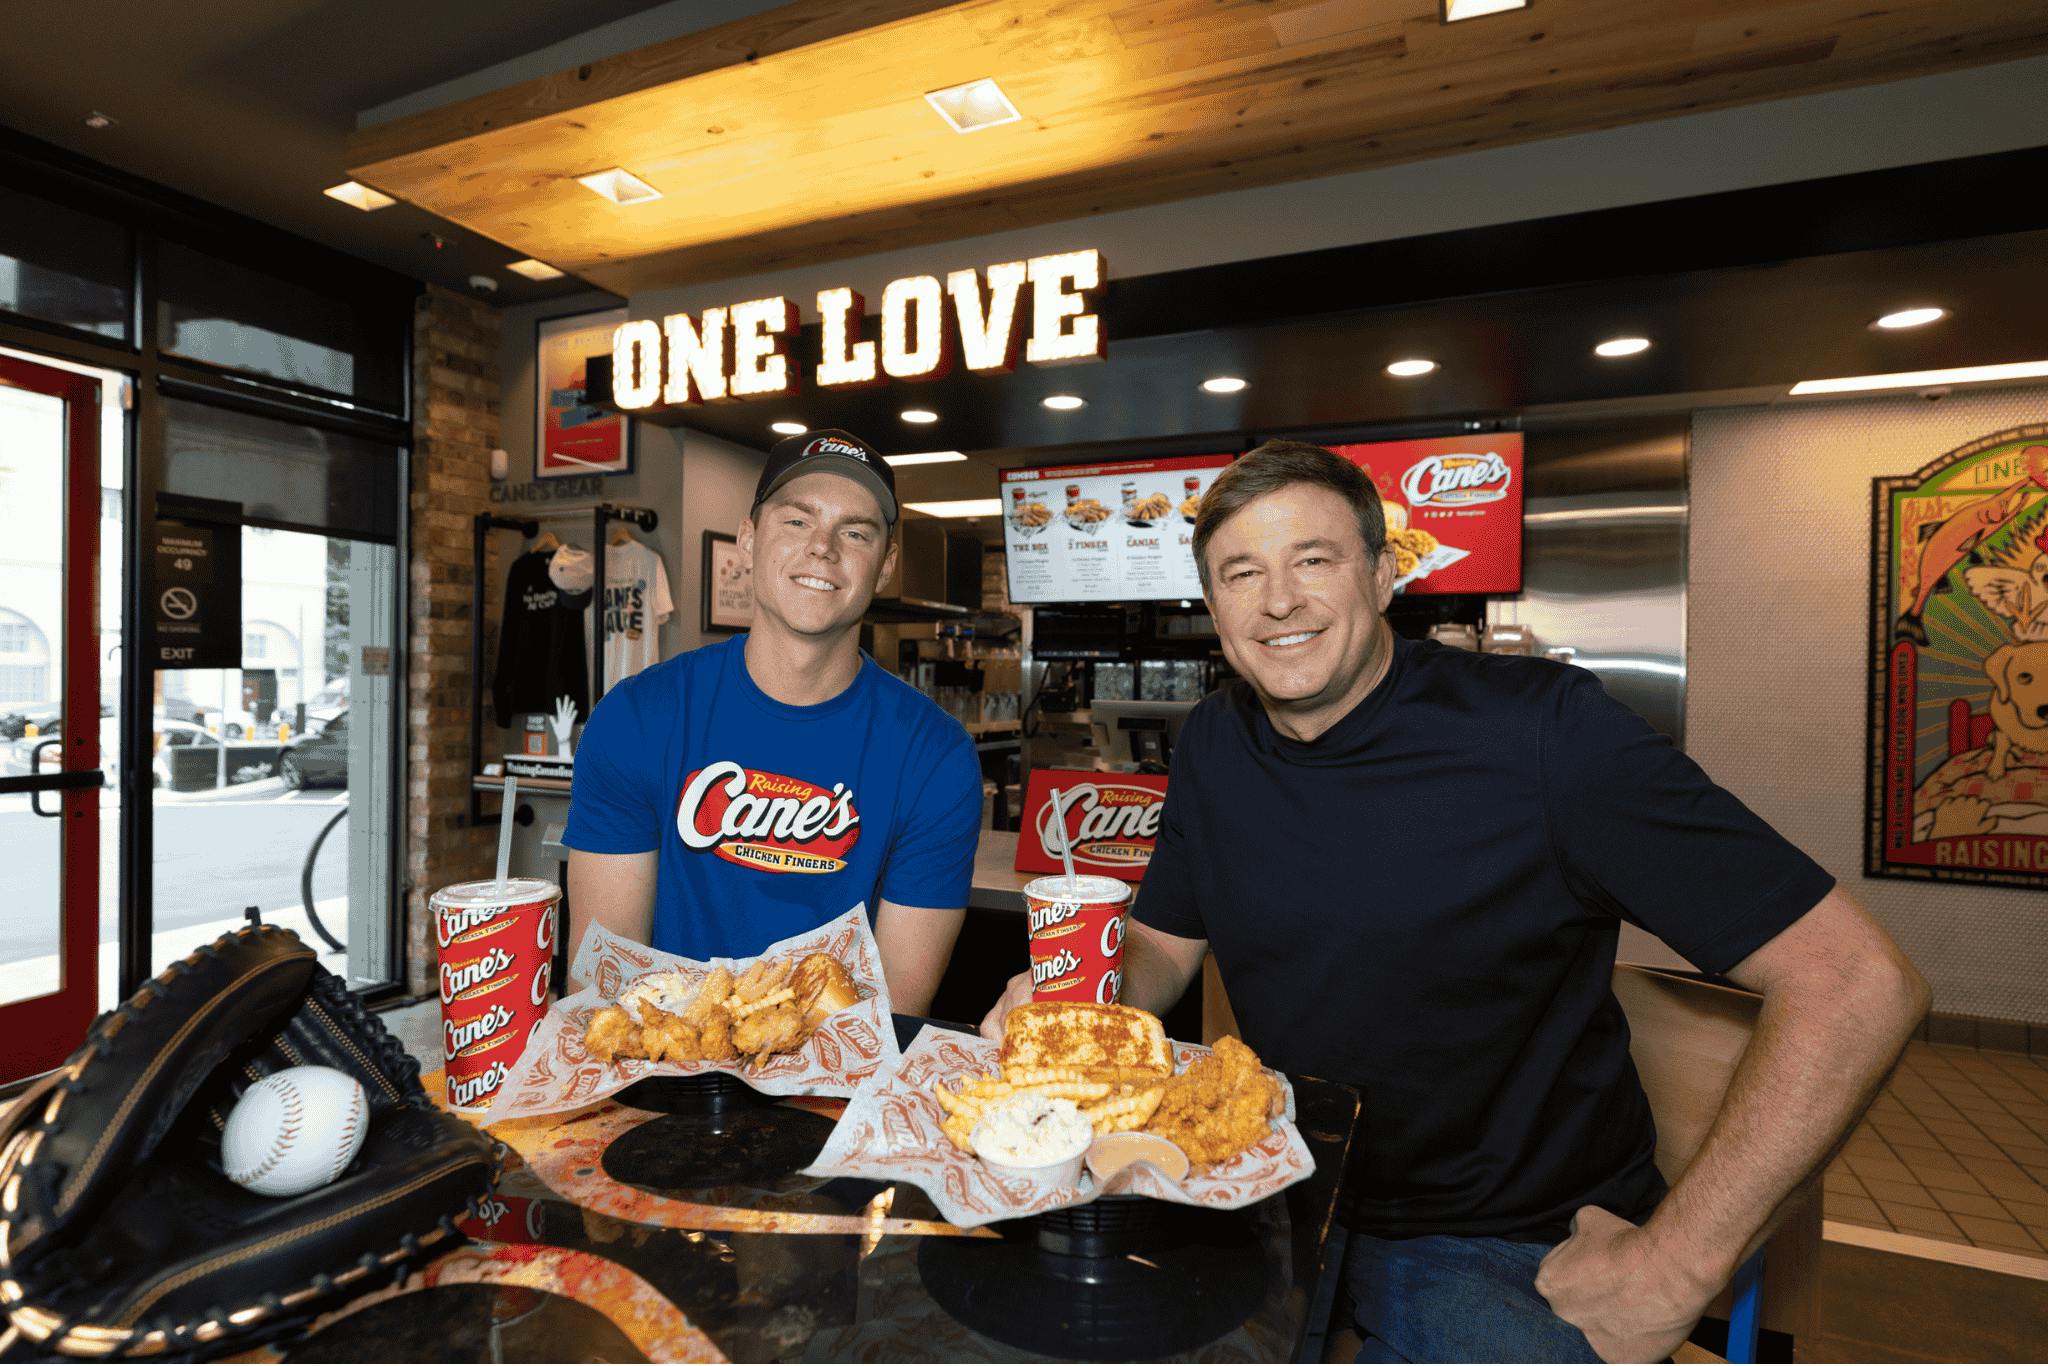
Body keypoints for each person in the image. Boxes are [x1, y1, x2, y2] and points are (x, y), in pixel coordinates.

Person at [982, 441, 1929, 1362]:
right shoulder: (1215, 744)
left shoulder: (1547, 733)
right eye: (1241, 573)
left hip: (1508, 1242)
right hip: (1276, 1190)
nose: (1279, 600)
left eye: (1314, 560)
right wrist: (1081, 1003)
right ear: (1214, 607)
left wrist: (1675, 1266)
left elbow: (1856, 981)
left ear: (1385, 576)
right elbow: (1163, 948)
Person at [564, 428, 982, 1015]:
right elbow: (602, 988)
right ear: (748, 538)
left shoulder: (936, 755)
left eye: (855, 531)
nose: (823, 548)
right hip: (660, 1083)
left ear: (884, 567)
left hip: (838, 1095)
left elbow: (894, 1010)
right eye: (796, 521)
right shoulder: (638, 718)